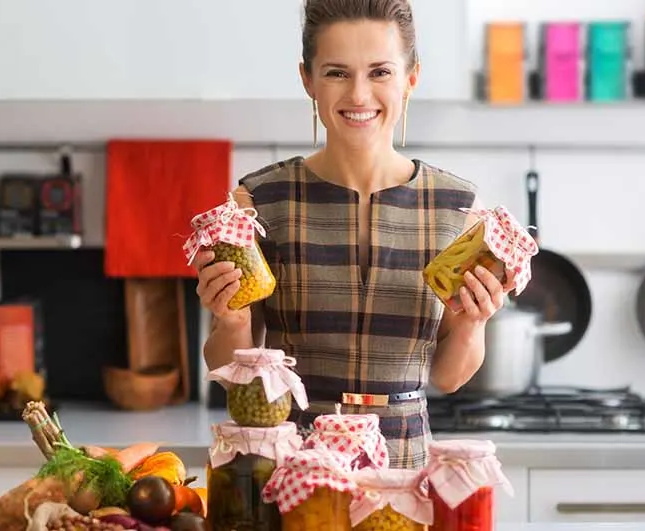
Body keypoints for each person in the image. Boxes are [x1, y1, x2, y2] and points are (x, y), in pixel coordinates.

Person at [193, 0, 516, 469]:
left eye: (380, 72)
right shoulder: (256, 203)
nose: (359, 95)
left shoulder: (460, 211)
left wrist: (472, 324)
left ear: (411, 78)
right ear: (308, 79)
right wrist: (233, 323)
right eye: (337, 73)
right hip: (292, 465)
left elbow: (447, 377)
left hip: (405, 467)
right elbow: (228, 374)